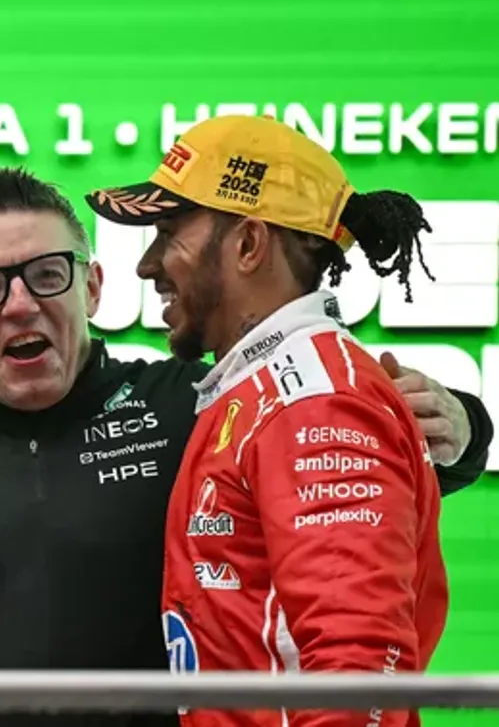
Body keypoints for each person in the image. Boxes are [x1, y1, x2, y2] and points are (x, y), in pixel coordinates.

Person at [0, 165, 490, 727]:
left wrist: (461, 426)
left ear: (91, 287)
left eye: (46, 273)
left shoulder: (194, 403)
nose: (19, 303)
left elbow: (350, 475)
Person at [87, 114, 453, 727]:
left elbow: (356, 669)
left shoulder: (312, 399)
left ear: (249, 245)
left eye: (168, 233)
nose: (147, 265)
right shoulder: (264, 388)